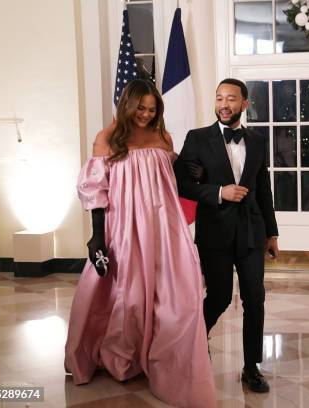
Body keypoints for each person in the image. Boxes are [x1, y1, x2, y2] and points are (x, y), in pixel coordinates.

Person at [64, 79, 216, 408]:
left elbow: (172, 181)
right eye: (141, 108)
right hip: (125, 226)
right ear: (128, 105)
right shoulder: (107, 139)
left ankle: (167, 355)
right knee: (127, 297)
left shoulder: (163, 137)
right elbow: (96, 191)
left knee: (176, 294)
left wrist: (193, 171)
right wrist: (97, 235)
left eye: (152, 109)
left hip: (164, 227)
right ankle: (121, 356)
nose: (146, 114)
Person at [174, 78, 279, 393]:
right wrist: (220, 192)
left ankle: (251, 367)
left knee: (255, 299)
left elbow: (263, 189)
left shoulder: (258, 141)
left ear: (244, 104)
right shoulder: (197, 139)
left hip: (250, 231)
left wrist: (271, 232)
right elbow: (183, 184)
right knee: (218, 297)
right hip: (215, 233)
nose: (224, 104)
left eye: (231, 98)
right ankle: (193, 344)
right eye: (219, 97)